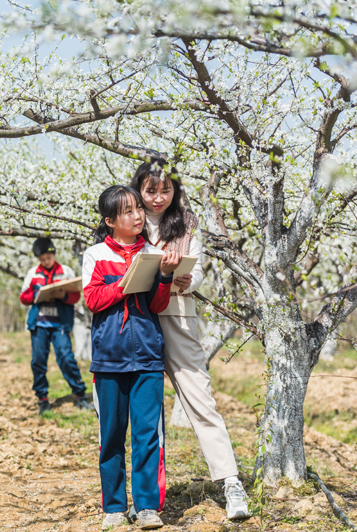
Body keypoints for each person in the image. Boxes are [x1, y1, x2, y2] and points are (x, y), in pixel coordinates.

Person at [130, 159, 250, 520]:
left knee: (201, 399)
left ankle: (230, 481)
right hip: (137, 320)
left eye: (165, 190)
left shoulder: (186, 223)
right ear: (139, 188)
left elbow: (197, 270)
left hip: (177, 318)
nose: (158, 198)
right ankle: (147, 499)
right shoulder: (126, 218)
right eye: (151, 190)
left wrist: (188, 280)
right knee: (145, 412)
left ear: (175, 190)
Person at [83, 185, 180, 531]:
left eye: (138, 208)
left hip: (148, 357)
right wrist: (123, 283)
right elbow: (92, 300)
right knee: (111, 435)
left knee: (146, 434)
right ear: (110, 221)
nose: (138, 215)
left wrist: (165, 275)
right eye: (127, 211)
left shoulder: (153, 253)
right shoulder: (95, 255)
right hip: (110, 357)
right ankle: (113, 506)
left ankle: (147, 506)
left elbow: (156, 305)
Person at [20, 237, 94, 415]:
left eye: (49, 257)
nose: (46, 261)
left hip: (60, 323)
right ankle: (42, 398)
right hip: (39, 324)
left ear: (54, 254)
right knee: (38, 360)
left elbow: (75, 296)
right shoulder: (33, 274)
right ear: (38, 259)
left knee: (66, 357)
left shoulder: (65, 271)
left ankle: (80, 395)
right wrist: (38, 293)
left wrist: (62, 295)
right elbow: (24, 297)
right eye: (43, 259)